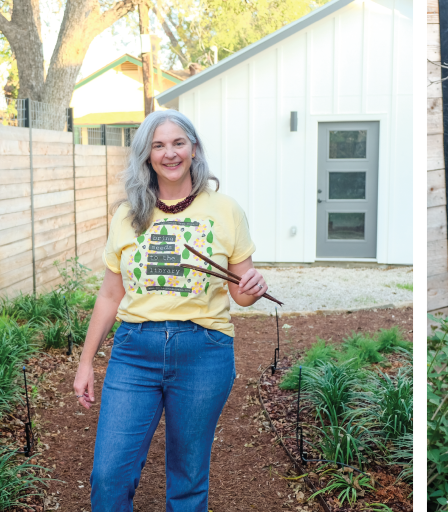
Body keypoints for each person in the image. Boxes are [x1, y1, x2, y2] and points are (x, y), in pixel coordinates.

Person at [72, 110, 269, 511]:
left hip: (204, 351)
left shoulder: (225, 210)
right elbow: (110, 295)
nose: (170, 153)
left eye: (178, 142)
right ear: (146, 156)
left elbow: (241, 294)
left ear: (194, 148)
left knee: (188, 478)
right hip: (134, 352)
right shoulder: (128, 215)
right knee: (109, 475)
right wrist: (86, 361)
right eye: (158, 146)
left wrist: (254, 287)